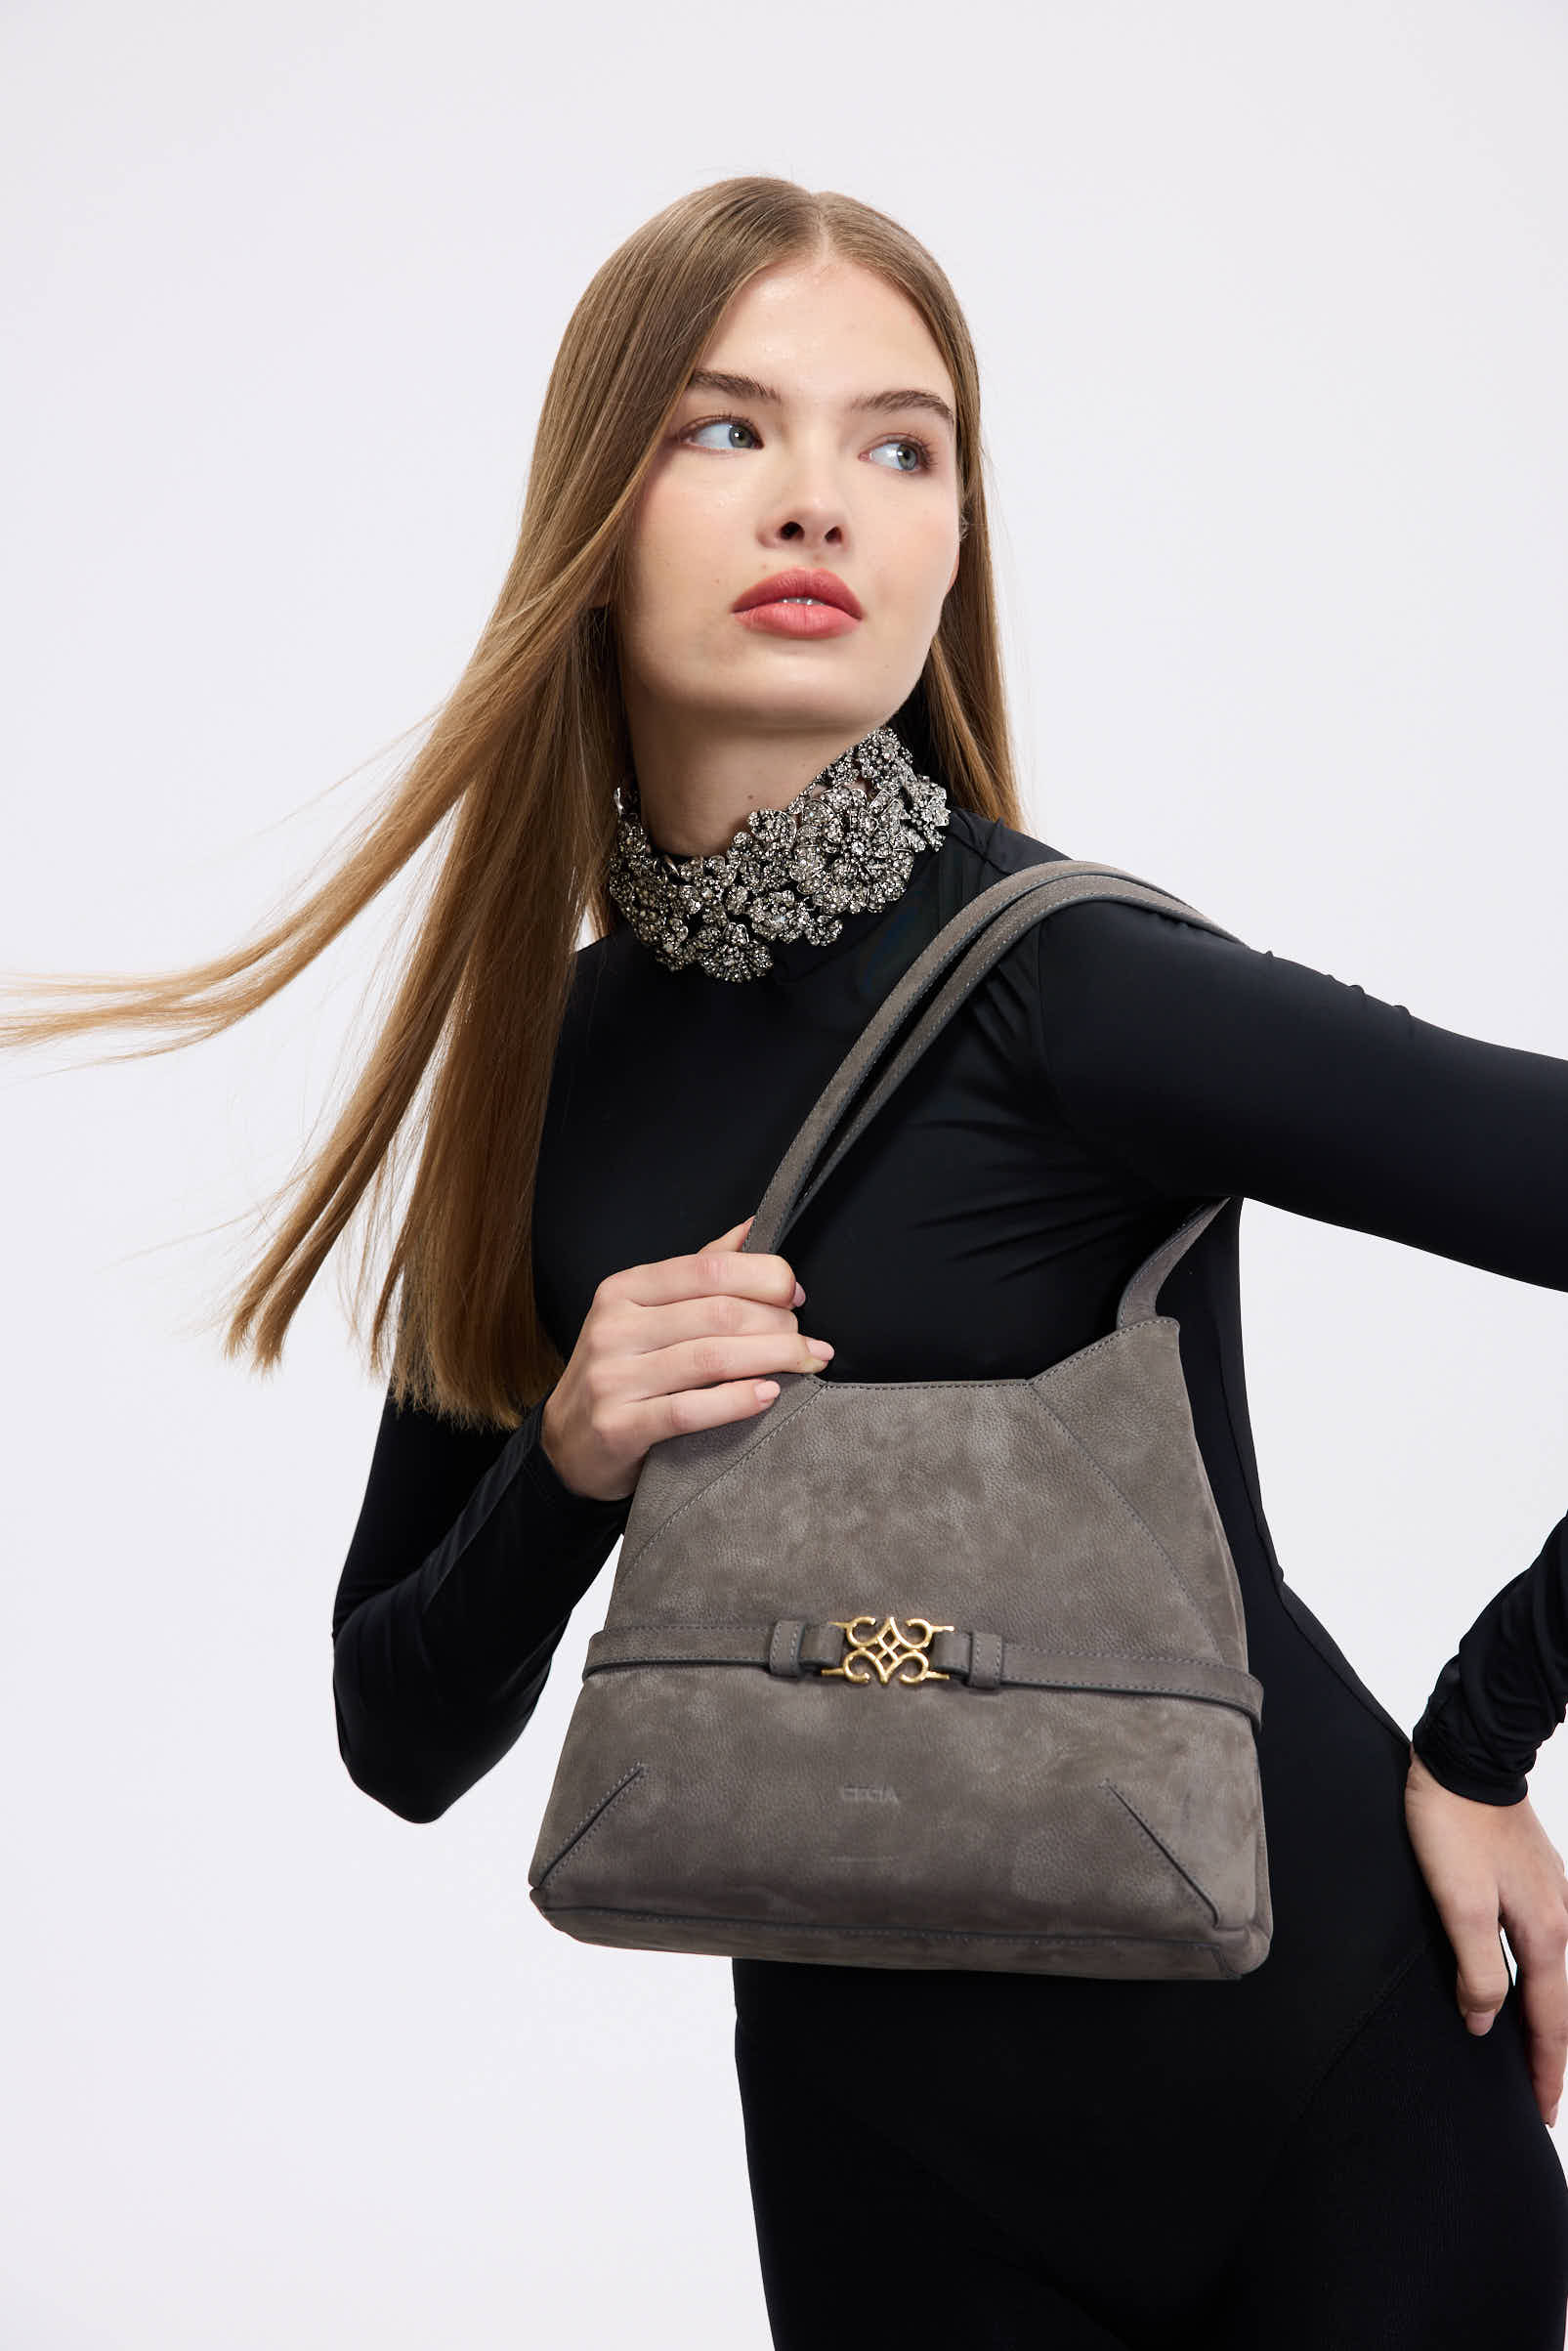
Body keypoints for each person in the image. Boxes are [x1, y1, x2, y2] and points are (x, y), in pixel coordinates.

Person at [9, 177, 1568, 2347]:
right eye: (726, 427)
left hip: (1332, 2097)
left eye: (898, 445)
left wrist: (1485, 1733)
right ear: (596, 509)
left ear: (951, 540)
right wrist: (569, 1456)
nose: (820, 499)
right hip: (873, 2179)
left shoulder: (1075, 985)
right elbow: (397, 1729)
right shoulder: (539, 1069)